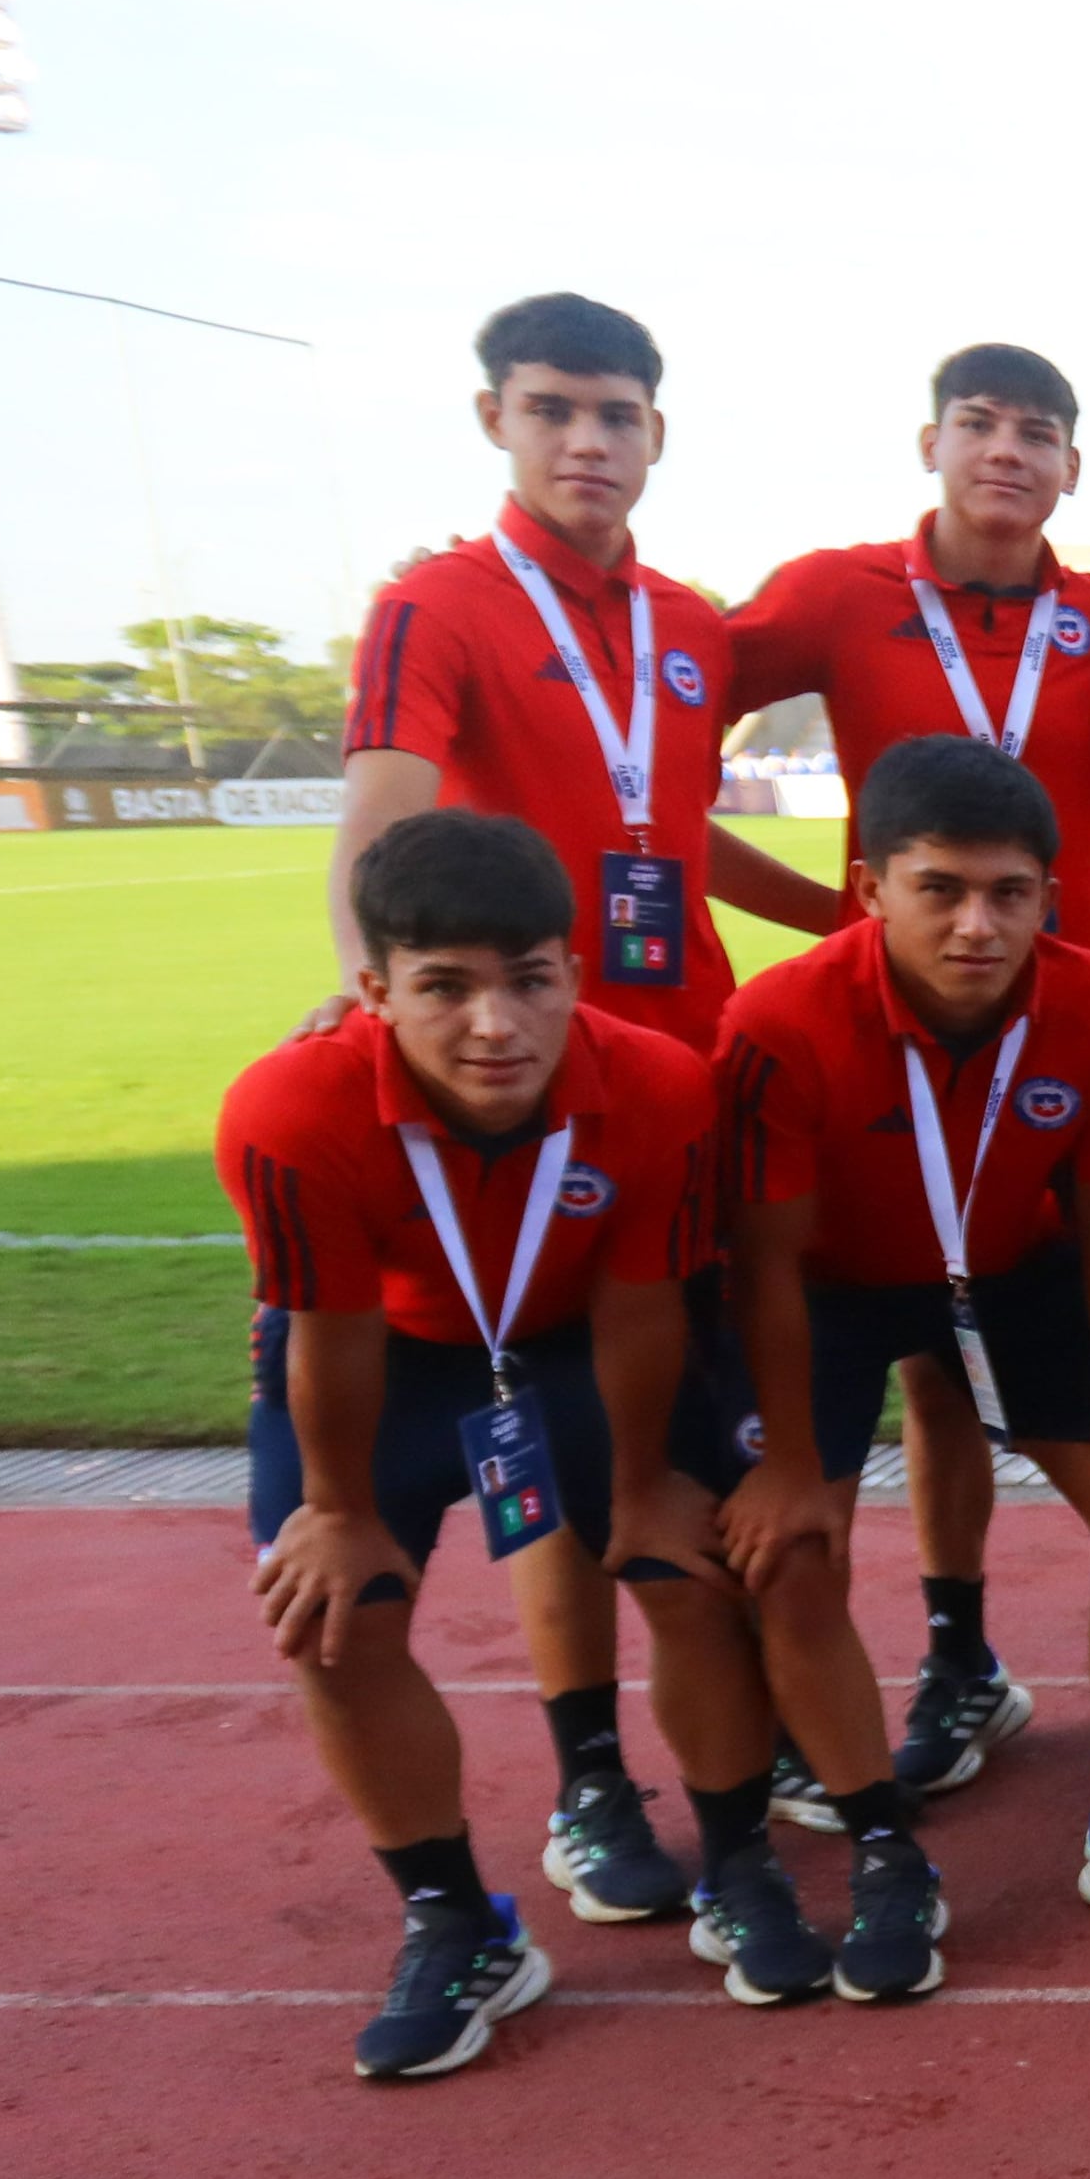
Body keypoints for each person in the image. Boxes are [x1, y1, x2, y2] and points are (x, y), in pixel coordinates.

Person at [324, 293, 782, 1914]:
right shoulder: (435, 603)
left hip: (693, 1073)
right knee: (544, 1426)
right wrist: (383, 1002)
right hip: (528, 1084)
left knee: (676, 1431)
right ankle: (593, 1779)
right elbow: (388, 809)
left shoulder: (691, 621)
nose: (586, 440)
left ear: (659, 431)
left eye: (616, 413)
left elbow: (671, 834)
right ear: (495, 421)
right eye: (553, 409)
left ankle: (737, 1743)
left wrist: (839, 912)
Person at [223, 809, 791, 2077]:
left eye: (528, 981)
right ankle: (452, 1919)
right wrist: (337, 1508)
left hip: (579, 1340)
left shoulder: (654, 1083)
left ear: (573, 974)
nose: (496, 1025)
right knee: (335, 1614)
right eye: (444, 988)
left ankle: (740, 1861)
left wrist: (642, 1491)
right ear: (373, 991)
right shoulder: (286, 1107)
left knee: (690, 1571)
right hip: (394, 1358)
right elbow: (328, 1328)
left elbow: (644, 1306)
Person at [726, 347, 1090, 1815]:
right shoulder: (833, 592)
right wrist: (819, 917)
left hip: (1055, 1037)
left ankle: (994, 1672)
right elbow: (653, 744)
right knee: (911, 1360)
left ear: (1072, 468)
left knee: (981, 1352)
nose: (1007, 452)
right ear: (930, 440)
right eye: (980, 425)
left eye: (1038, 432)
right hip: (878, 1023)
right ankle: (948, 1654)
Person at [711, 734, 1090, 1967]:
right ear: (871, 886)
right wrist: (783, 1460)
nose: (978, 925)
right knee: (791, 1552)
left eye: (1010, 893)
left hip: (1003, 1265)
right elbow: (763, 1262)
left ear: (1050, 892)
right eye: (939, 889)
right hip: (828, 1289)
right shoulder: (776, 1020)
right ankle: (884, 1842)